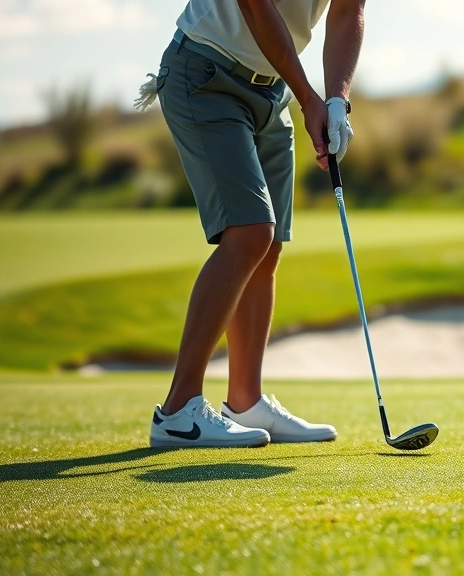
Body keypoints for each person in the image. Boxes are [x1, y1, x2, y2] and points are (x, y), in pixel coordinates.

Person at [134, 0, 365, 448]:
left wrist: (337, 99)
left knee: (269, 243)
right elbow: (257, 9)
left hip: (271, 88)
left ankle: (245, 400)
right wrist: (309, 98)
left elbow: (348, 10)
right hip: (204, 72)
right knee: (250, 231)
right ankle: (178, 412)